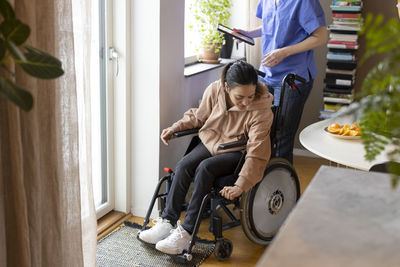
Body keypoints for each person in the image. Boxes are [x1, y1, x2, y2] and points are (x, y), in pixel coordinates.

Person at [138, 61, 274, 255]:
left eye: (250, 96)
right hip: (210, 143)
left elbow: (256, 153)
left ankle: (186, 233)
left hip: (237, 152)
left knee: (205, 168)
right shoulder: (214, 90)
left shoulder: (262, 111)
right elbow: (199, 117)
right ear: (227, 87)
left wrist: (241, 185)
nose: (245, 102)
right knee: (184, 165)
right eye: (240, 97)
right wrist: (176, 127)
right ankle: (167, 222)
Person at [235, 0, 328, 163]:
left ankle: (281, 185)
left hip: (293, 78)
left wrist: (284, 52)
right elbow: (273, 27)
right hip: (267, 75)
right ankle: (263, 182)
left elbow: (320, 37)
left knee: (283, 135)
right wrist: (249, 34)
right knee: (263, 132)